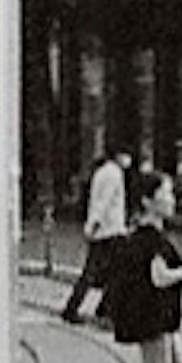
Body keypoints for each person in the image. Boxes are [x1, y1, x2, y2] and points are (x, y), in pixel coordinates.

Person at [82, 164, 182, 363]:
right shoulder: (148, 239)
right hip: (152, 321)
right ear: (148, 201)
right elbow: (160, 278)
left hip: (164, 320)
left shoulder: (150, 236)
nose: (172, 199)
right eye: (166, 194)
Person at [65, 136, 132, 326]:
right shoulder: (114, 174)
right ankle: (100, 311)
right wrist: (94, 222)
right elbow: (104, 202)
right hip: (110, 230)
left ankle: (89, 308)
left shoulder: (102, 171)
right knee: (112, 272)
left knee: (102, 272)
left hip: (103, 229)